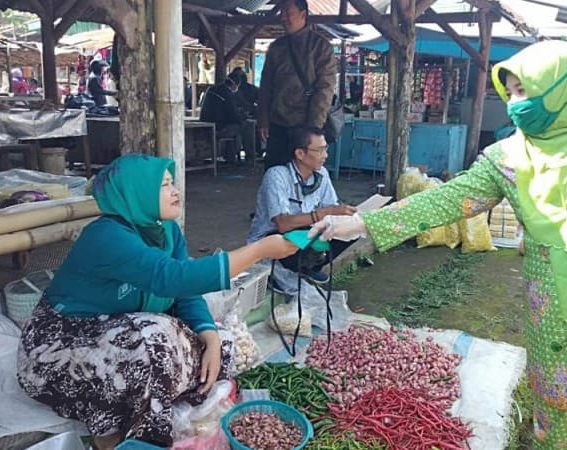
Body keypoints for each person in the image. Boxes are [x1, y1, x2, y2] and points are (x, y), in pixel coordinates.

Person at [313, 41, 567, 449]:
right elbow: (450, 198)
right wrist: (363, 222)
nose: (517, 103)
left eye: (526, 90)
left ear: (564, 87)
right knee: (563, 418)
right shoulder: (509, 156)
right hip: (559, 313)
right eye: (512, 92)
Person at [17, 154, 298, 449]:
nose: (175, 191)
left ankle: (165, 406)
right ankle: (121, 434)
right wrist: (259, 250)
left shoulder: (166, 231)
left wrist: (210, 336)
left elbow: (185, 293)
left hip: (116, 332)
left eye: (172, 183)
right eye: (164, 185)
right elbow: (173, 278)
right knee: (153, 338)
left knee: (222, 342)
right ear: (137, 191)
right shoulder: (106, 235)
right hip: (61, 345)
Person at [247, 127, 356, 293]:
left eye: (326, 149)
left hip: (303, 236)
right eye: (320, 150)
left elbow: (332, 210)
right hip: (272, 240)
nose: (325, 155)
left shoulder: (322, 174)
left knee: (351, 228)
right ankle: (285, 270)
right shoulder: (277, 176)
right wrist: (324, 213)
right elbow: (282, 223)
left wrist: (346, 216)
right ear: (300, 154)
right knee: (301, 233)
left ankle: (309, 266)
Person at [257, 0, 337, 169]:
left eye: (288, 13)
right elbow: (265, 87)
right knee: (274, 175)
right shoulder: (276, 48)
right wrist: (263, 119)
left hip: (305, 126)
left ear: (303, 14)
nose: (283, 17)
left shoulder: (320, 47)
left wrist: (313, 130)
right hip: (278, 125)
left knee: (304, 180)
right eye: (282, 13)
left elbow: (325, 90)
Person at [200, 71, 248, 161]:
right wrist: (244, 116)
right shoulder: (226, 94)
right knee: (243, 127)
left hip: (204, 126)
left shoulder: (211, 89)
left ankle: (230, 157)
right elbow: (233, 115)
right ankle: (248, 158)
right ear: (235, 85)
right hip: (218, 128)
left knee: (235, 128)